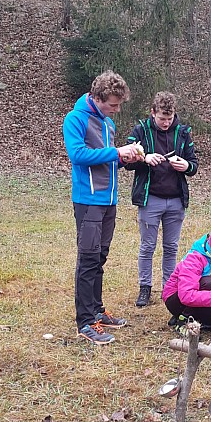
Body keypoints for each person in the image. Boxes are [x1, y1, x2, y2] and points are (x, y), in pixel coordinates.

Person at [62, 70, 142, 345]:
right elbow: (78, 155)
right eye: (113, 105)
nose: (117, 110)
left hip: (109, 201)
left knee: (100, 257)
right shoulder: (76, 119)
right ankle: (85, 322)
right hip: (88, 202)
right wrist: (116, 152)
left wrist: (128, 157)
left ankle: (97, 309)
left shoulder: (107, 124)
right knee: (87, 260)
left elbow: (110, 161)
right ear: (97, 98)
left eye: (119, 105)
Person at [125, 91, 199, 308]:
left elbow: (194, 164)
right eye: (162, 119)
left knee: (171, 246)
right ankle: (145, 287)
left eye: (170, 118)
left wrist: (186, 166)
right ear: (152, 113)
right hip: (150, 199)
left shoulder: (183, 132)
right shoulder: (141, 130)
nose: (166, 123)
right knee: (147, 246)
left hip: (176, 200)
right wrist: (144, 158)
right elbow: (127, 161)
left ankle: (169, 288)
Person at [162, 213, 211, 327]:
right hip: (177, 301)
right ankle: (184, 318)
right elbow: (186, 295)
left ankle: (199, 317)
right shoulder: (194, 259)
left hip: (202, 298)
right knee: (207, 282)